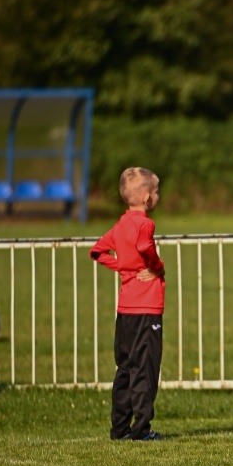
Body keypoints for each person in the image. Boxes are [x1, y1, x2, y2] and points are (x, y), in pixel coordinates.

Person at [90, 167, 166, 441]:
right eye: (156, 192)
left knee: (125, 367)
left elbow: (97, 251)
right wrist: (157, 267)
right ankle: (142, 430)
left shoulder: (120, 225)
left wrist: (122, 267)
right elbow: (146, 248)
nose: (157, 196)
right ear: (146, 197)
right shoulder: (145, 224)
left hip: (125, 310)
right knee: (145, 368)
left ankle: (119, 428)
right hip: (147, 309)